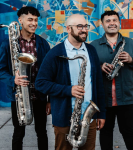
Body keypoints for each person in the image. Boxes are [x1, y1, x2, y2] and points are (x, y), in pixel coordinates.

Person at [35, 14, 106, 150]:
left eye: (85, 26)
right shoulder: (55, 53)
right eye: (79, 26)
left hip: (88, 117)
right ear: (68, 29)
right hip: (64, 118)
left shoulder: (91, 51)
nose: (84, 29)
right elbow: (41, 83)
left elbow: (98, 84)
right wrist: (68, 90)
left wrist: (101, 113)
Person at [90, 10, 133, 150]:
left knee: (130, 133)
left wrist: (131, 59)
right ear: (102, 25)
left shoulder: (131, 43)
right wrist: (99, 66)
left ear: (119, 23)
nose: (112, 23)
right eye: (108, 21)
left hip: (127, 99)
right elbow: (87, 68)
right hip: (104, 99)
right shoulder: (93, 45)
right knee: (105, 132)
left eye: (114, 20)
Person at [0, 6, 51, 150]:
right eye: (30, 19)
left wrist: (49, 99)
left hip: (39, 95)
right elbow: (0, 71)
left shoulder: (43, 43)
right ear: (20, 20)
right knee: (19, 132)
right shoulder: (8, 44)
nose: (34, 23)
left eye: (36, 20)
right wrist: (13, 80)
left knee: (42, 132)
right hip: (19, 94)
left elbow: (51, 73)